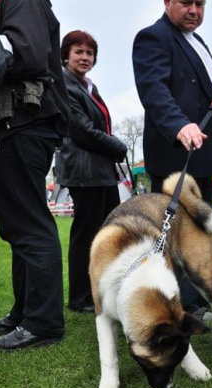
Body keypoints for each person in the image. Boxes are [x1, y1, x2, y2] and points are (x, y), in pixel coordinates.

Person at [0, 0, 69, 350]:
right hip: (8, 127)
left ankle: (43, 322)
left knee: (30, 226)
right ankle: (25, 312)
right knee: (19, 228)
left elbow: (28, 53)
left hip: (21, 123)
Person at [133, 0, 212, 318]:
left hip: (201, 155)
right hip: (176, 156)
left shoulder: (196, 40)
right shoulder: (154, 37)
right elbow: (153, 90)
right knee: (178, 236)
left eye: (200, 4)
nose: (194, 10)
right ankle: (185, 304)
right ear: (166, 2)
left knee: (200, 232)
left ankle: (203, 294)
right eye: (186, 2)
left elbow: (200, 89)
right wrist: (179, 125)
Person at [55, 31, 128, 313]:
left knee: (108, 233)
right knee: (86, 236)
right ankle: (80, 297)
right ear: (66, 55)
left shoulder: (86, 86)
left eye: (89, 53)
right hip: (84, 173)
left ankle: (104, 289)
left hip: (101, 171)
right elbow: (82, 131)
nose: (85, 57)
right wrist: (118, 146)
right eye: (78, 52)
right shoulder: (64, 84)